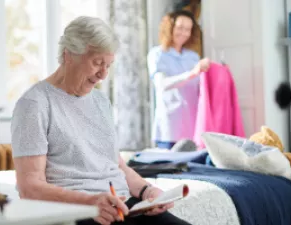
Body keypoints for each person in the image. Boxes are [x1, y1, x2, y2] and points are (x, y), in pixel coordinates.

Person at [11, 16, 192, 225]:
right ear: (68, 55)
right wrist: (90, 202)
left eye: (109, 65)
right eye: (97, 63)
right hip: (77, 210)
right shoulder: (34, 104)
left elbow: (116, 166)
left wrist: (147, 191)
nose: (103, 74)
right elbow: (29, 187)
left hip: (122, 205)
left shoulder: (100, 101)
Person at [147, 10, 210, 150]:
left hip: (193, 128)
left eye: (188, 29)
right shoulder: (157, 54)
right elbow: (161, 84)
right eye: (180, 28)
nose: (184, 33)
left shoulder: (193, 57)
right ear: (169, 28)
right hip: (169, 128)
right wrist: (192, 73)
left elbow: (201, 87)